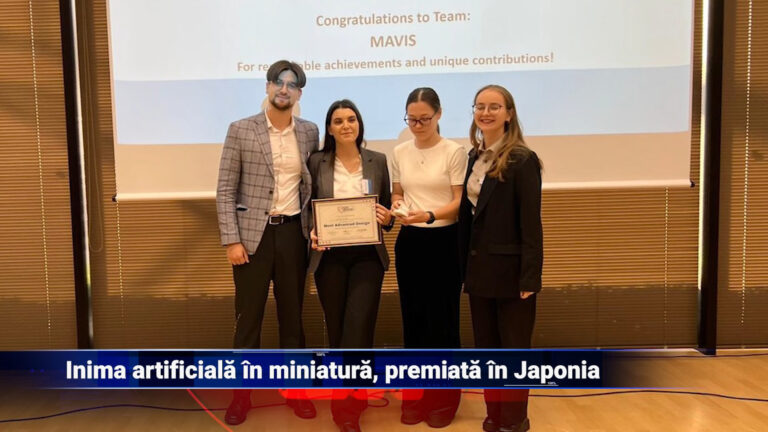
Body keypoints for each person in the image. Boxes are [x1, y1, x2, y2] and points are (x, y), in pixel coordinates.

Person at [216, 60, 318, 425]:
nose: (284, 89)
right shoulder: (241, 129)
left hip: (293, 235)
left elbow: (312, 186)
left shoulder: (309, 132)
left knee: (293, 320)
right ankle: (241, 397)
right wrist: (231, 240)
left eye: (292, 85)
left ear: (299, 93)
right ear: (267, 87)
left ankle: (297, 392)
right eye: (278, 82)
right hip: (251, 240)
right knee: (248, 322)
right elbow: (225, 189)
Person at [458, 84, 543, 432]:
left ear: (509, 114)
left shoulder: (522, 159)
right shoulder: (473, 157)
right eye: (480, 106)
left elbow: (531, 224)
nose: (486, 112)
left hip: (511, 276)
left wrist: (530, 278)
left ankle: (514, 420)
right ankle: (494, 414)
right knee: (487, 351)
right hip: (479, 272)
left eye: (494, 106)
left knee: (513, 352)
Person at [308, 100, 394, 432]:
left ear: (359, 124)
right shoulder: (316, 161)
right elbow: (306, 206)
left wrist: (387, 217)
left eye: (351, 119)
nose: (346, 125)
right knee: (338, 329)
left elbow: (386, 206)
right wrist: (312, 232)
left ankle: (347, 409)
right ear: (329, 128)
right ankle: (347, 397)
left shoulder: (377, 160)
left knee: (358, 327)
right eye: (338, 121)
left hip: (367, 257)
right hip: (329, 255)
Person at [390, 87, 468, 428]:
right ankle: (416, 396)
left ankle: (444, 399)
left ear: (439, 115)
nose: (418, 125)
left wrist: (430, 215)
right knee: (414, 322)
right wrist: (397, 206)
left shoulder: (454, 151)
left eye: (424, 119)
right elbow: (397, 192)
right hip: (411, 242)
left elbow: (459, 202)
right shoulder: (400, 151)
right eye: (412, 120)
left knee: (443, 323)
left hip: (444, 241)